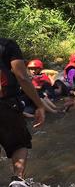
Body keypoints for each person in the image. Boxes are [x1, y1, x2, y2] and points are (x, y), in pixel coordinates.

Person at [0, 38, 45, 187]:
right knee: (19, 144)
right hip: (5, 104)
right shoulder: (7, 45)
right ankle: (18, 180)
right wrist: (39, 105)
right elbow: (22, 77)